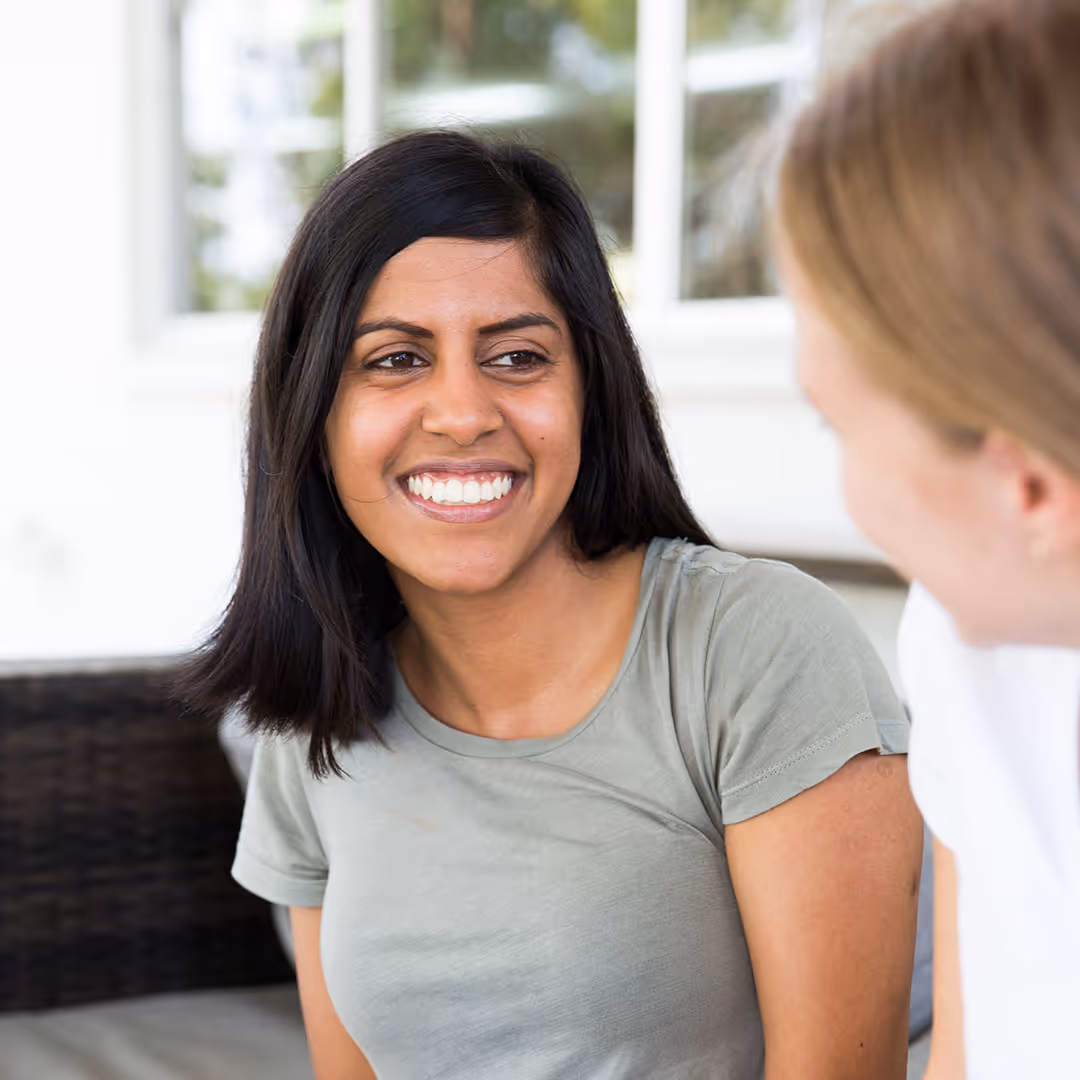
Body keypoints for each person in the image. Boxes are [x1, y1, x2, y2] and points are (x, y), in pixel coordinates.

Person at [180, 130, 921, 1079]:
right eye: (396, 360)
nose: (462, 413)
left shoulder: (753, 648)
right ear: (312, 413)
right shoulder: (312, 720)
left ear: (589, 388)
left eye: (518, 357)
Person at [774, 1, 1080, 1077]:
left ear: (1031, 487)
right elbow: (968, 1043)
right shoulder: (961, 644)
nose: (844, 485)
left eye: (840, 425)